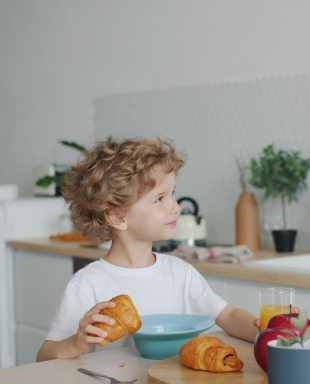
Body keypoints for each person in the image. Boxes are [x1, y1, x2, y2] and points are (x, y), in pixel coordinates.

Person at [37, 138, 258, 361]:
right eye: (160, 198)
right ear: (117, 216)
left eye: (173, 193)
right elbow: (45, 357)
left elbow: (228, 315)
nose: (175, 207)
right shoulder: (87, 284)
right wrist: (77, 342)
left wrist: (263, 331)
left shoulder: (180, 273)